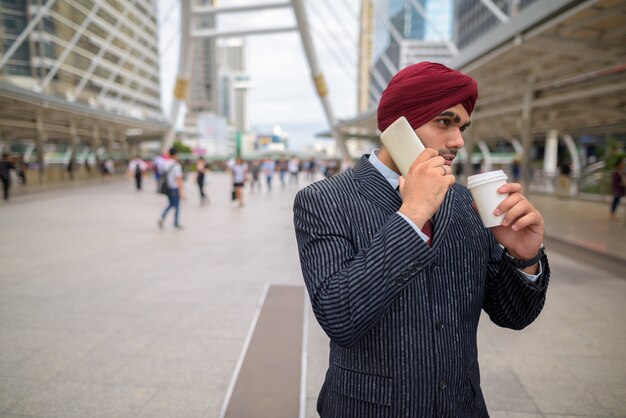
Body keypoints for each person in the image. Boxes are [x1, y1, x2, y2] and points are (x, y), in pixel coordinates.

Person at [293, 62, 550, 417]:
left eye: (462, 126)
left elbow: (514, 315)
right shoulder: (325, 200)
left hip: (461, 407)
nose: (458, 140)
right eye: (444, 122)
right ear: (399, 128)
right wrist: (413, 213)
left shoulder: (465, 202)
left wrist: (525, 259)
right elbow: (340, 317)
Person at [158, 147, 184, 229]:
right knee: (175, 205)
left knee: (172, 204)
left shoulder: (165, 163)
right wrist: (181, 191)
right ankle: (174, 222)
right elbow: (179, 178)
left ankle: (164, 218)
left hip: (167, 187)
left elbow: (160, 173)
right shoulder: (177, 165)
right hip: (174, 188)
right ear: (176, 155)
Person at [610, 157, 625, 221]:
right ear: (619, 164)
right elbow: (615, 182)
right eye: (622, 163)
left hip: (619, 190)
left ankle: (613, 215)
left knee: (616, 202)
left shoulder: (621, 171)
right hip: (617, 190)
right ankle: (612, 215)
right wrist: (622, 184)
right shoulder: (616, 172)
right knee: (615, 202)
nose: (623, 165)